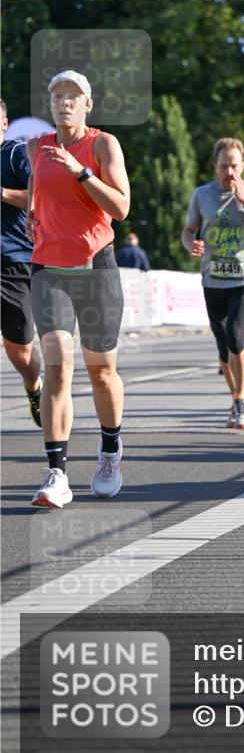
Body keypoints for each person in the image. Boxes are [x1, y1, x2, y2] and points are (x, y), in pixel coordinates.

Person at [27, 70, 130, 508]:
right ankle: (57, 474)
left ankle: (110, 451)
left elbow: (122, 208)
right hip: (49, 268)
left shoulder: (103, 145)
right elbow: (35, 191)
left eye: (73, 96)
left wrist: (82, 173)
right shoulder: (37, 147)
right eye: (57, 97)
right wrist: (34, 214)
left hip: (96, 268)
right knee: (57, 366)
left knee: (101, 371)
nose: (64, 103)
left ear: (88, 104)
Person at [182, 137, 244, 429]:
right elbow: (189, 230)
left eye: (234, 166)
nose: (229, 172)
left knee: (236, 334)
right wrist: (190, 245)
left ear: (242, 166)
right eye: (224, 166)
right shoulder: (202, 195)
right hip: (213, 279)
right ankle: (235, 398)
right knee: (223, 346)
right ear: (215, 167)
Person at [1, 98, 42, 425]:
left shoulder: (14, 153)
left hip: (12, 262)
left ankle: (34, 385)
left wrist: (1, 192)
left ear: (4, 123)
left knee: (22, 351)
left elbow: (38, 194)